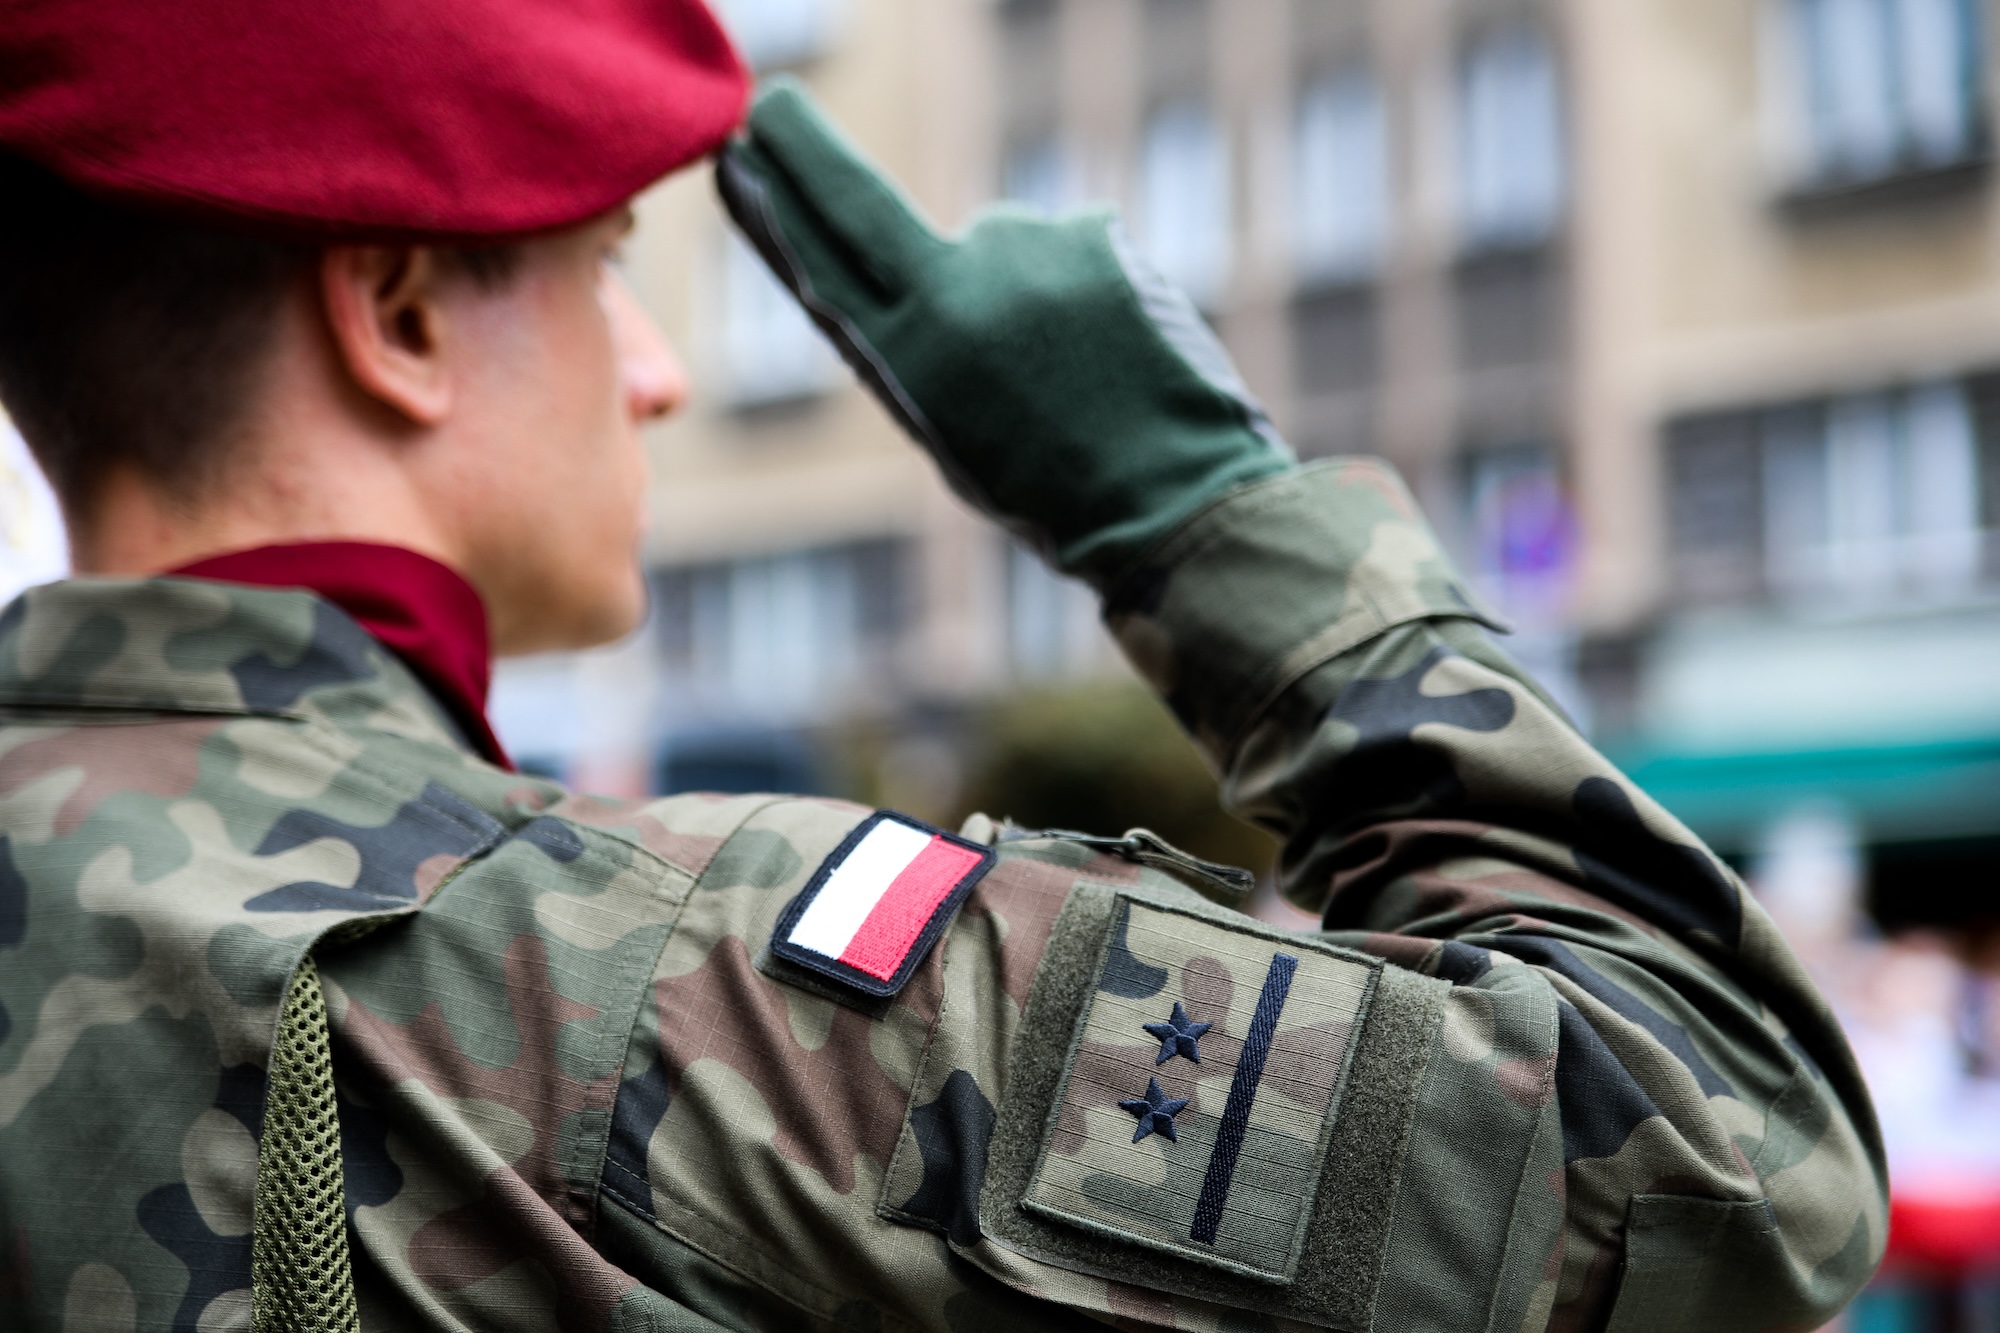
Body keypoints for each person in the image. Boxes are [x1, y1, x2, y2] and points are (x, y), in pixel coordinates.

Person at [0, 1, 1884, 1329]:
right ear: (399, 310)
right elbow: (1730, 1158)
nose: (651, 366)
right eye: (603, 265)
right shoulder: (638, 983)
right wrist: (1194, 511)